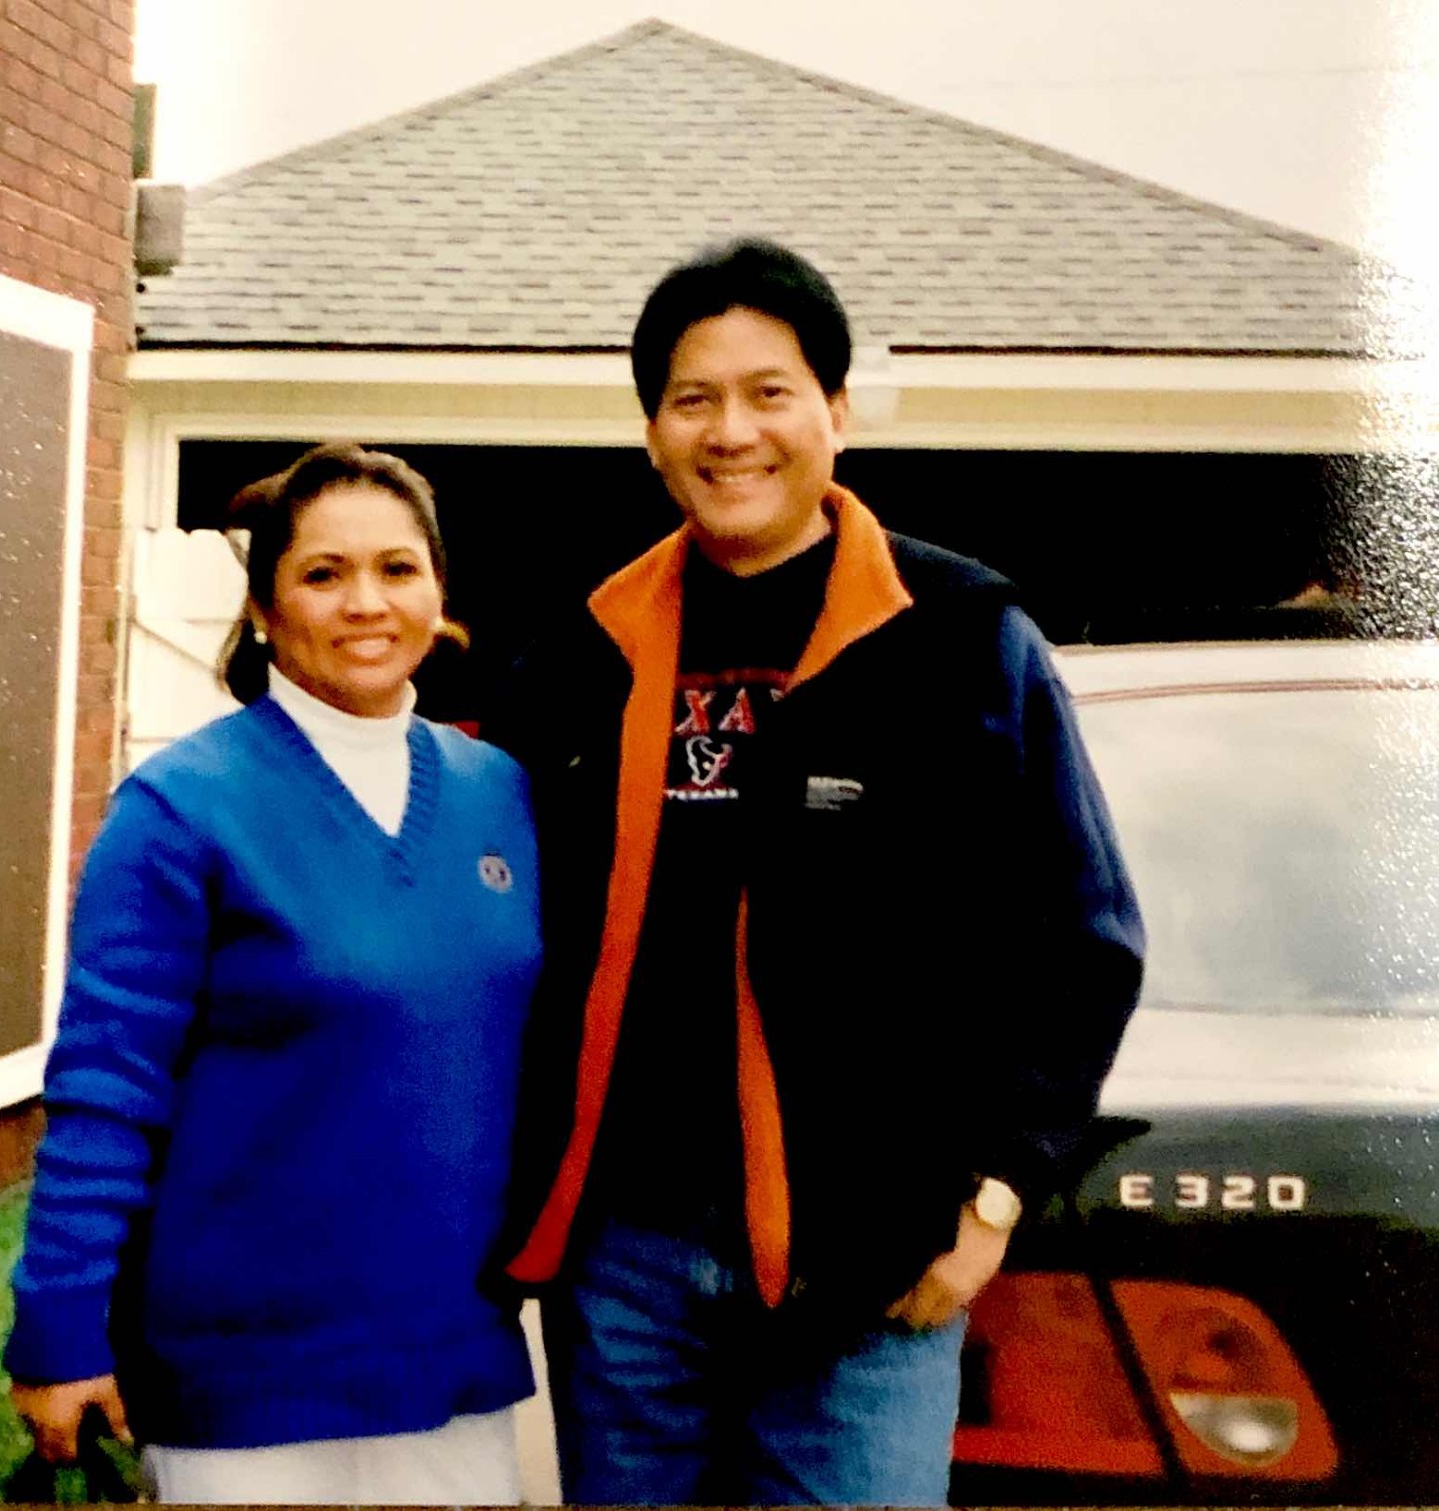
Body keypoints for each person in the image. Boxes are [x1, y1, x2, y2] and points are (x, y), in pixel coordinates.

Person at [483, 238, 1145, 1506]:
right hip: (626, 1273)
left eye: (769, 392)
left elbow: (1083, 940)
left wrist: (996, 1198)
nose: (732, 431)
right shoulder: (580, 656)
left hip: (873, 1275)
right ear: (652, 432)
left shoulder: (962, 641)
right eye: (694, 398)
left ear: (836, 409)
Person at [3, 442, 543, 1505]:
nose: (366, 602)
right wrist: (58, 1324)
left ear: (439, 595)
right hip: (244, 1377)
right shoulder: (182, 807)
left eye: (397, 568)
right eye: (323, 573)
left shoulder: (501, 795)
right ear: (262, 609)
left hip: (450, 1359)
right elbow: (106, 1089)